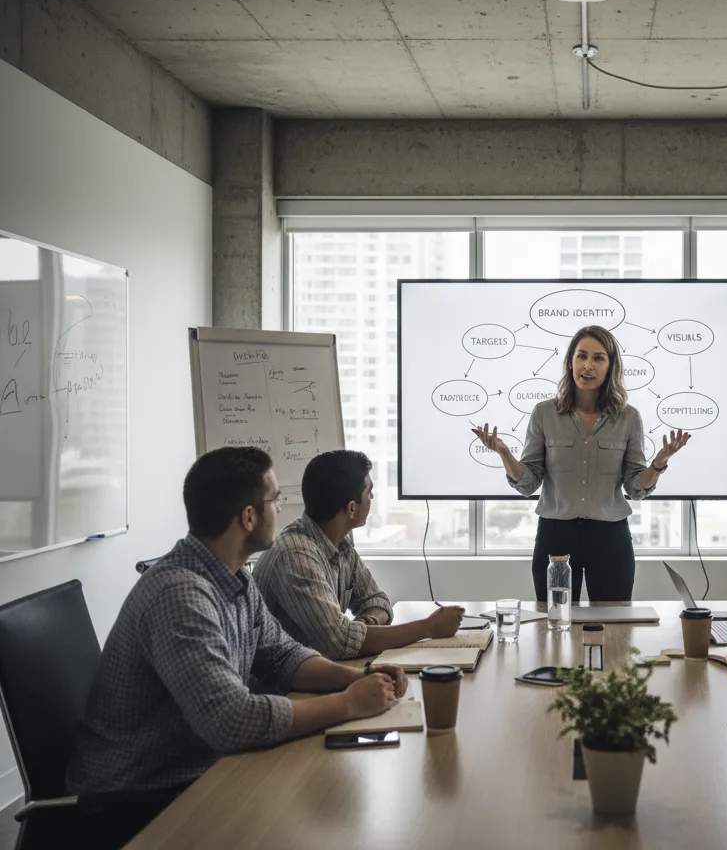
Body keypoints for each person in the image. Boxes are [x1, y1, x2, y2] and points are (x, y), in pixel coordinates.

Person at [66, 447, 408, 848]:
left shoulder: (234, 579)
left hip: (195, 768)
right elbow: (231, 721)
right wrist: (348, 704)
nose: (282, 509)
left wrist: (360, 678)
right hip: (136, 799)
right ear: (249, 517)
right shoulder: (181, 596)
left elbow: (283, 655)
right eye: (276, 500)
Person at [472, 325, 689, 601]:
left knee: (615, 627)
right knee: (555, 625)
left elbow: (635, 488)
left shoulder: (629, 418)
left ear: (611, 367)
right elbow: (528, 483)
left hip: (610, 536)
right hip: (556, 536)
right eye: (581, 356)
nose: (588, 365)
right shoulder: (544, 413)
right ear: (570, 362)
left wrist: (658, 464)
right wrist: (504, 453)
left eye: (599, 358)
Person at [254, 449, 464, 660]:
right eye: (369, 492)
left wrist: (366, 624)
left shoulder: (339, 543)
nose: (372, 498)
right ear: (352, 508)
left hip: (316, 676)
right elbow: (340, 642)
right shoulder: (296, 555)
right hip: (284, 690)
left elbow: (377, 600)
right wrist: (428, 628)